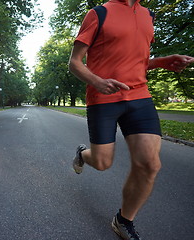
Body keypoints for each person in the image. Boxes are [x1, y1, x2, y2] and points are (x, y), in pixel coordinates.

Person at [68, 0, 193, 239]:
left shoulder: (148, 15)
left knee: (150, 164)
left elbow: (137, 62)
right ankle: (83, 154)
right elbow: (74, 62)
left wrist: (161, 62)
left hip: (139, 96)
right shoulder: (98, 14)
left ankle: (123, 219)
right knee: (103, 163)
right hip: (103, 97)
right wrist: (98, 82)